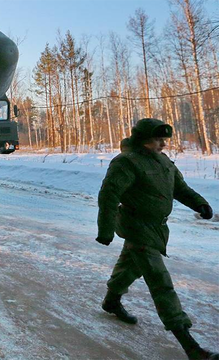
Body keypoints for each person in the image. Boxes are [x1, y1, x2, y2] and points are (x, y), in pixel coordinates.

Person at [96, 118, 217, 360]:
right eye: (158, 139)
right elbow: (109, 196)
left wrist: (200, 203)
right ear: (143, 140)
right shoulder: (126, 162)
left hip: (157, 229)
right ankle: (190, 345)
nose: (163, 143)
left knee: (130, 267)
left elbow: (180, 188)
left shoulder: (163, 161)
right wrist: (106, 230)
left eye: (164, 139)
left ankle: (111, 301)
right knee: (160, 281)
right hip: (137, 227)